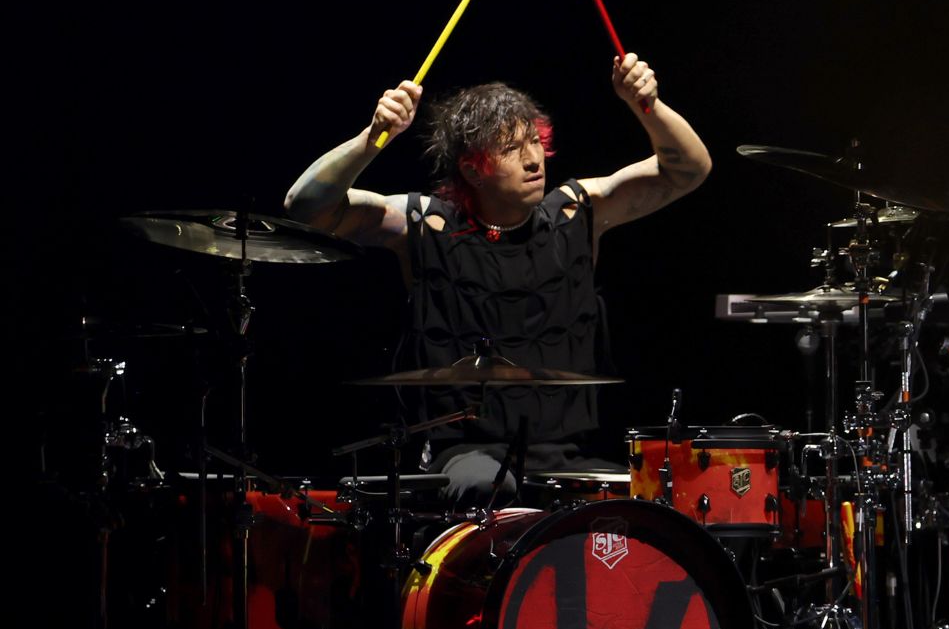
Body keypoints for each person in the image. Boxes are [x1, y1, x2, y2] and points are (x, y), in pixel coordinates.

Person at [284, 54, 711, 502]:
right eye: (511, 149)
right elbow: (305, 208)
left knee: (656, 501)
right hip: (467, 456)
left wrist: (648, 106)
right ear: (472, 169)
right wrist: (372, 140)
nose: (533, 160)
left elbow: (688, 170)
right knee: (489, 486)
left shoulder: (577, 211)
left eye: (534, 141)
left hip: (566, 456)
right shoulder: (423, 224)